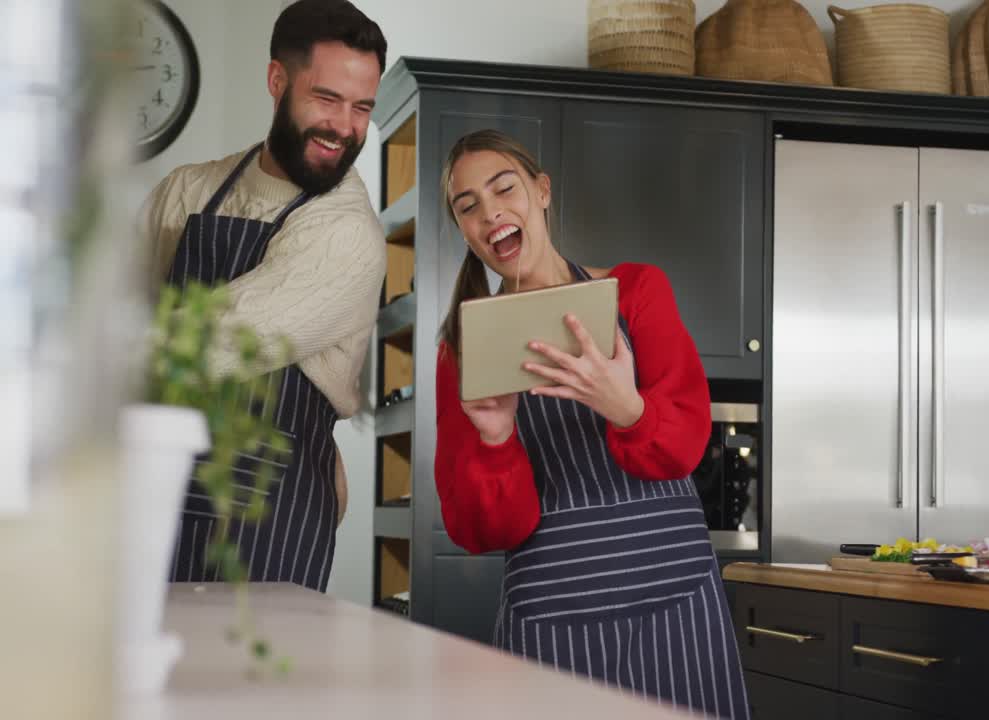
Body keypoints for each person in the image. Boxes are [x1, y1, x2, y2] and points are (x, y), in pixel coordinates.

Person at [433, 129, 749, 719]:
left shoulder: (635, 293)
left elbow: (684, 445)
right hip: (554, 620)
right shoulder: (463, 348)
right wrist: (497, 438)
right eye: (467, 206)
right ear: (462, 229)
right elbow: (481, 530)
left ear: (542, 191)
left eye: (505, 189)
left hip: (676, 603)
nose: (490, 212)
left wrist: (624, 406)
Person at [136, 0, 387, 591]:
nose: (345, 127)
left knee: (245, 682)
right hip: (157, 484)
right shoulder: (188, 190)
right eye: (326, 99)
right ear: (277, 80)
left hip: (272, 513)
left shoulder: (347, 234)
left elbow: (205, 347)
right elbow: (115, 311)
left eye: (362, 108)